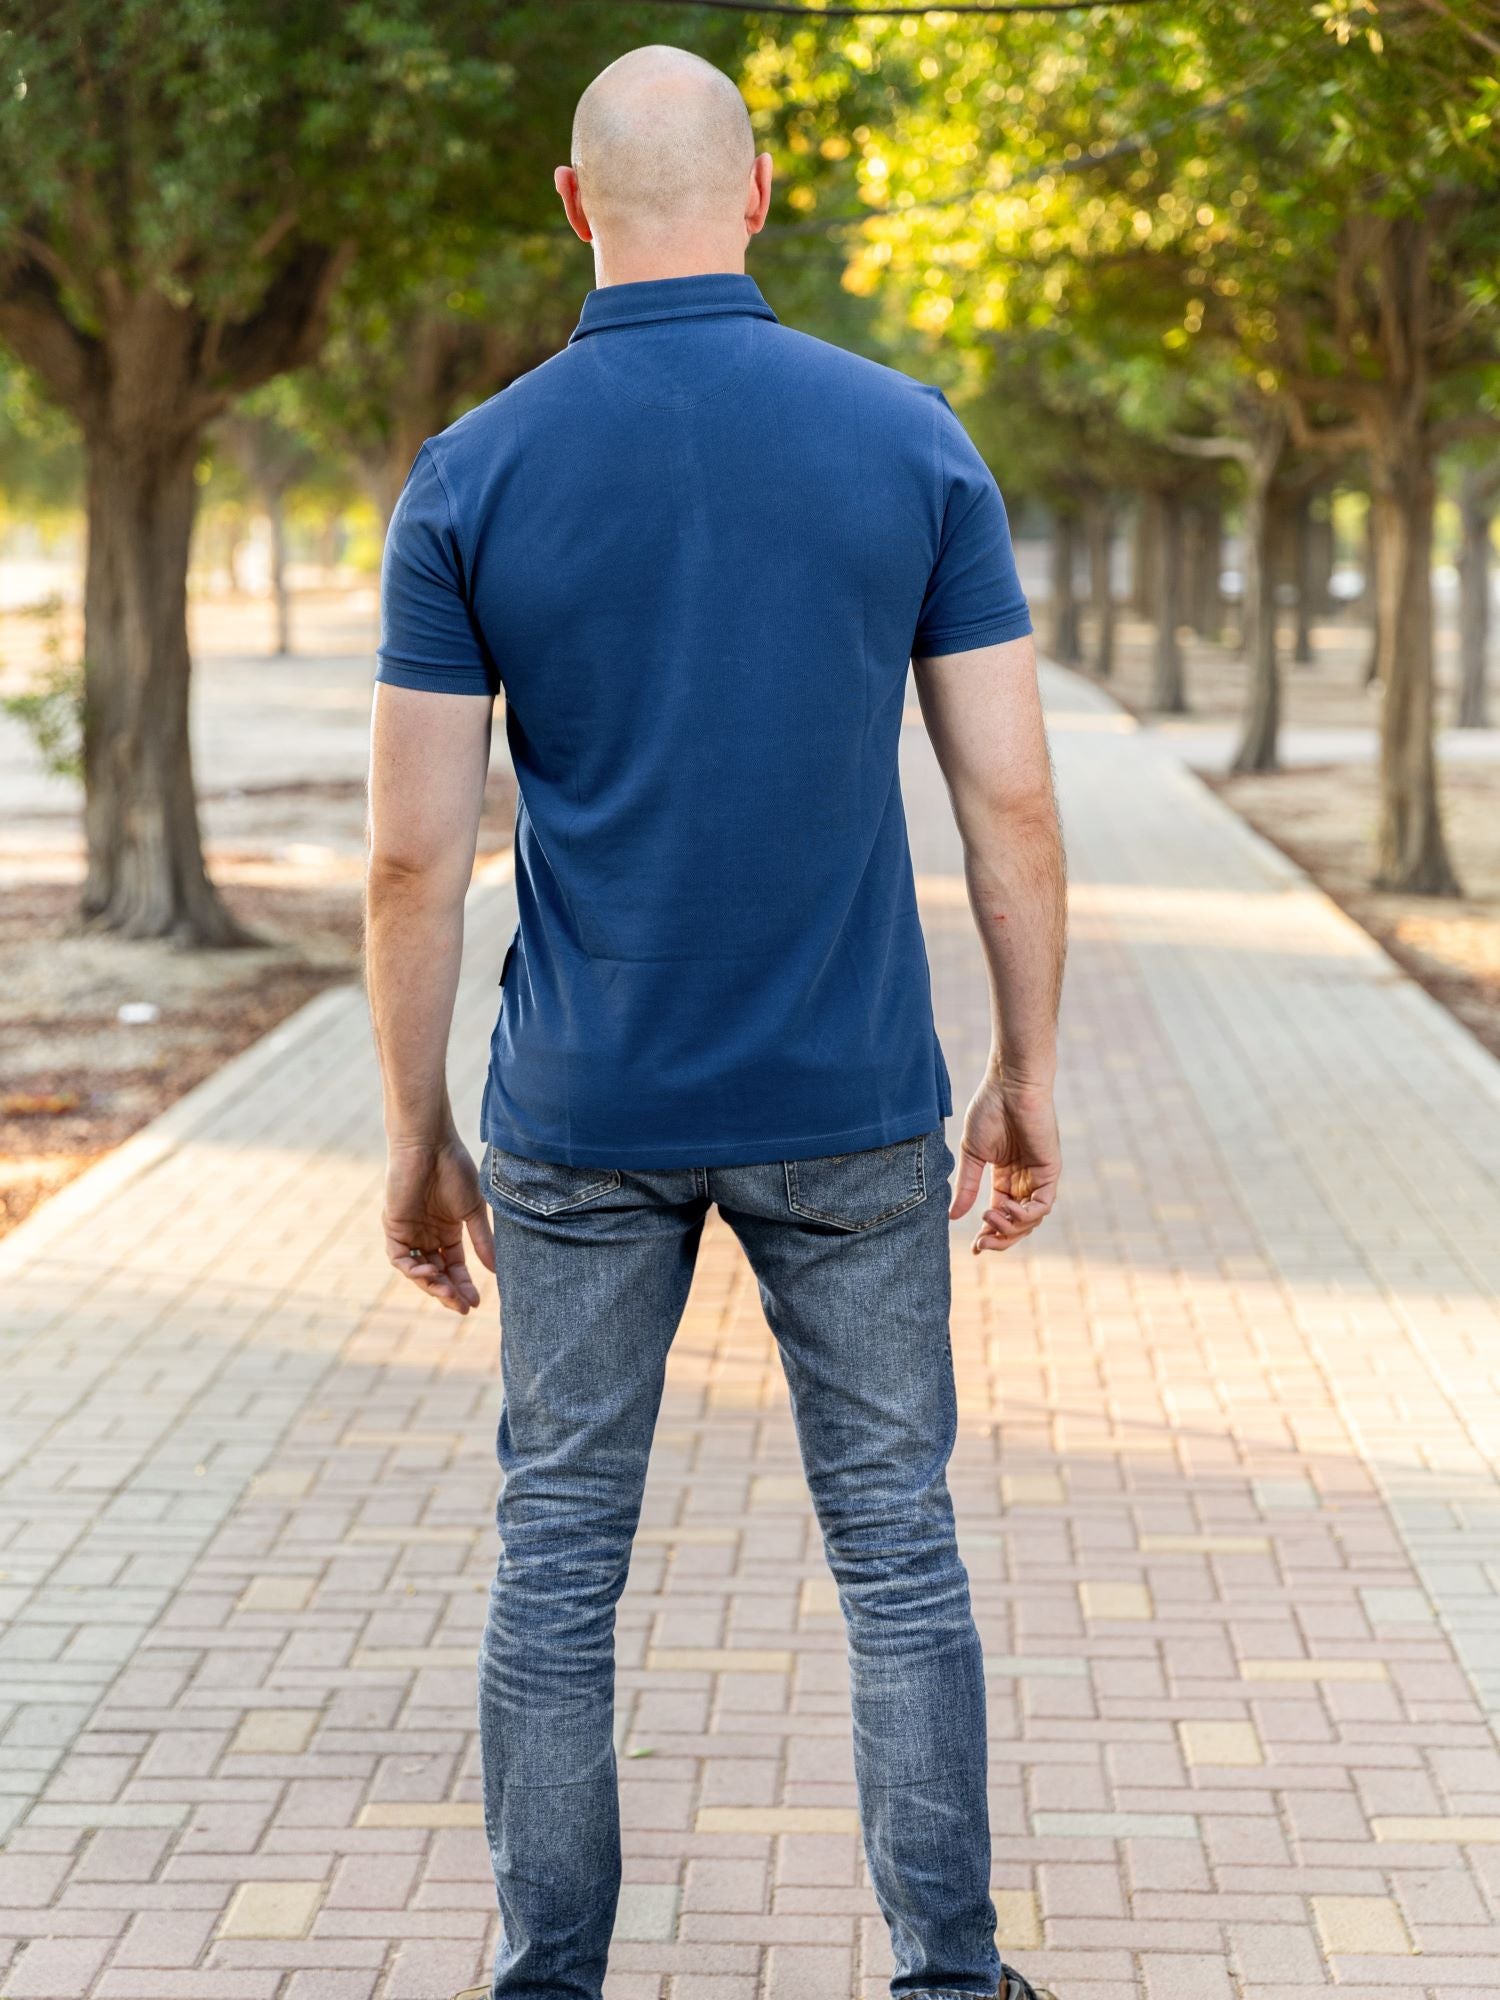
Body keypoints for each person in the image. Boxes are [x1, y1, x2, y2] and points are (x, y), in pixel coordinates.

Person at [364, 44, 1065, 2000]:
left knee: (558, 1554)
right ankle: (947, 1976)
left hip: (575, 1106)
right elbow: (1008, 795)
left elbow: (415, 861)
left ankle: (548, 1976)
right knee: (897, 1549)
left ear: (573, 206)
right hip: (852, 1092)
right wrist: (1030, 1070)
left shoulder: (472, 474)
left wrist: (416, 1135)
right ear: (757, 198)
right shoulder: (909, 440)